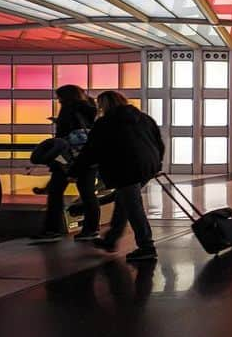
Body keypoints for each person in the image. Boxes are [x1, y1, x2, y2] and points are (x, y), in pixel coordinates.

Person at [68, 90, 164, 263]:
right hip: (147, 165)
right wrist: (157, 163)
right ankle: (111, 240)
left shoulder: (106, 123)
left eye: (100, 104)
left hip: (125, 168)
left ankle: (146, 246)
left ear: (104, 105)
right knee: (124, 201)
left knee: (133, 207)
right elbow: (158, 142)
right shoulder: (144, 118)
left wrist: (74, 170)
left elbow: (91, 150)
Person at [29, 85, 101, 243]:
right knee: (88, 193)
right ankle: (91, 229)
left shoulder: (69, 109)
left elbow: (63, 136)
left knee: (55, 192)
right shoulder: (90, 108)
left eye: (59, 97)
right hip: (87, 156)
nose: (58, 100)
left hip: (68, 157)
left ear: (67, 97)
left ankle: (52, 230)